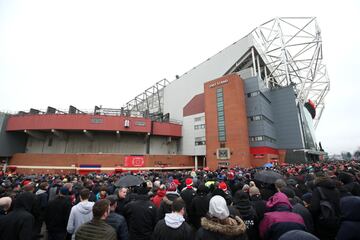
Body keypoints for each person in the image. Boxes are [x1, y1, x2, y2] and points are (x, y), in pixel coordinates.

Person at [309, 172, 340, 240]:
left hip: (323, 221)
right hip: (336, 219)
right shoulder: (335, 189)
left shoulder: (317, 190)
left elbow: (314, 208)